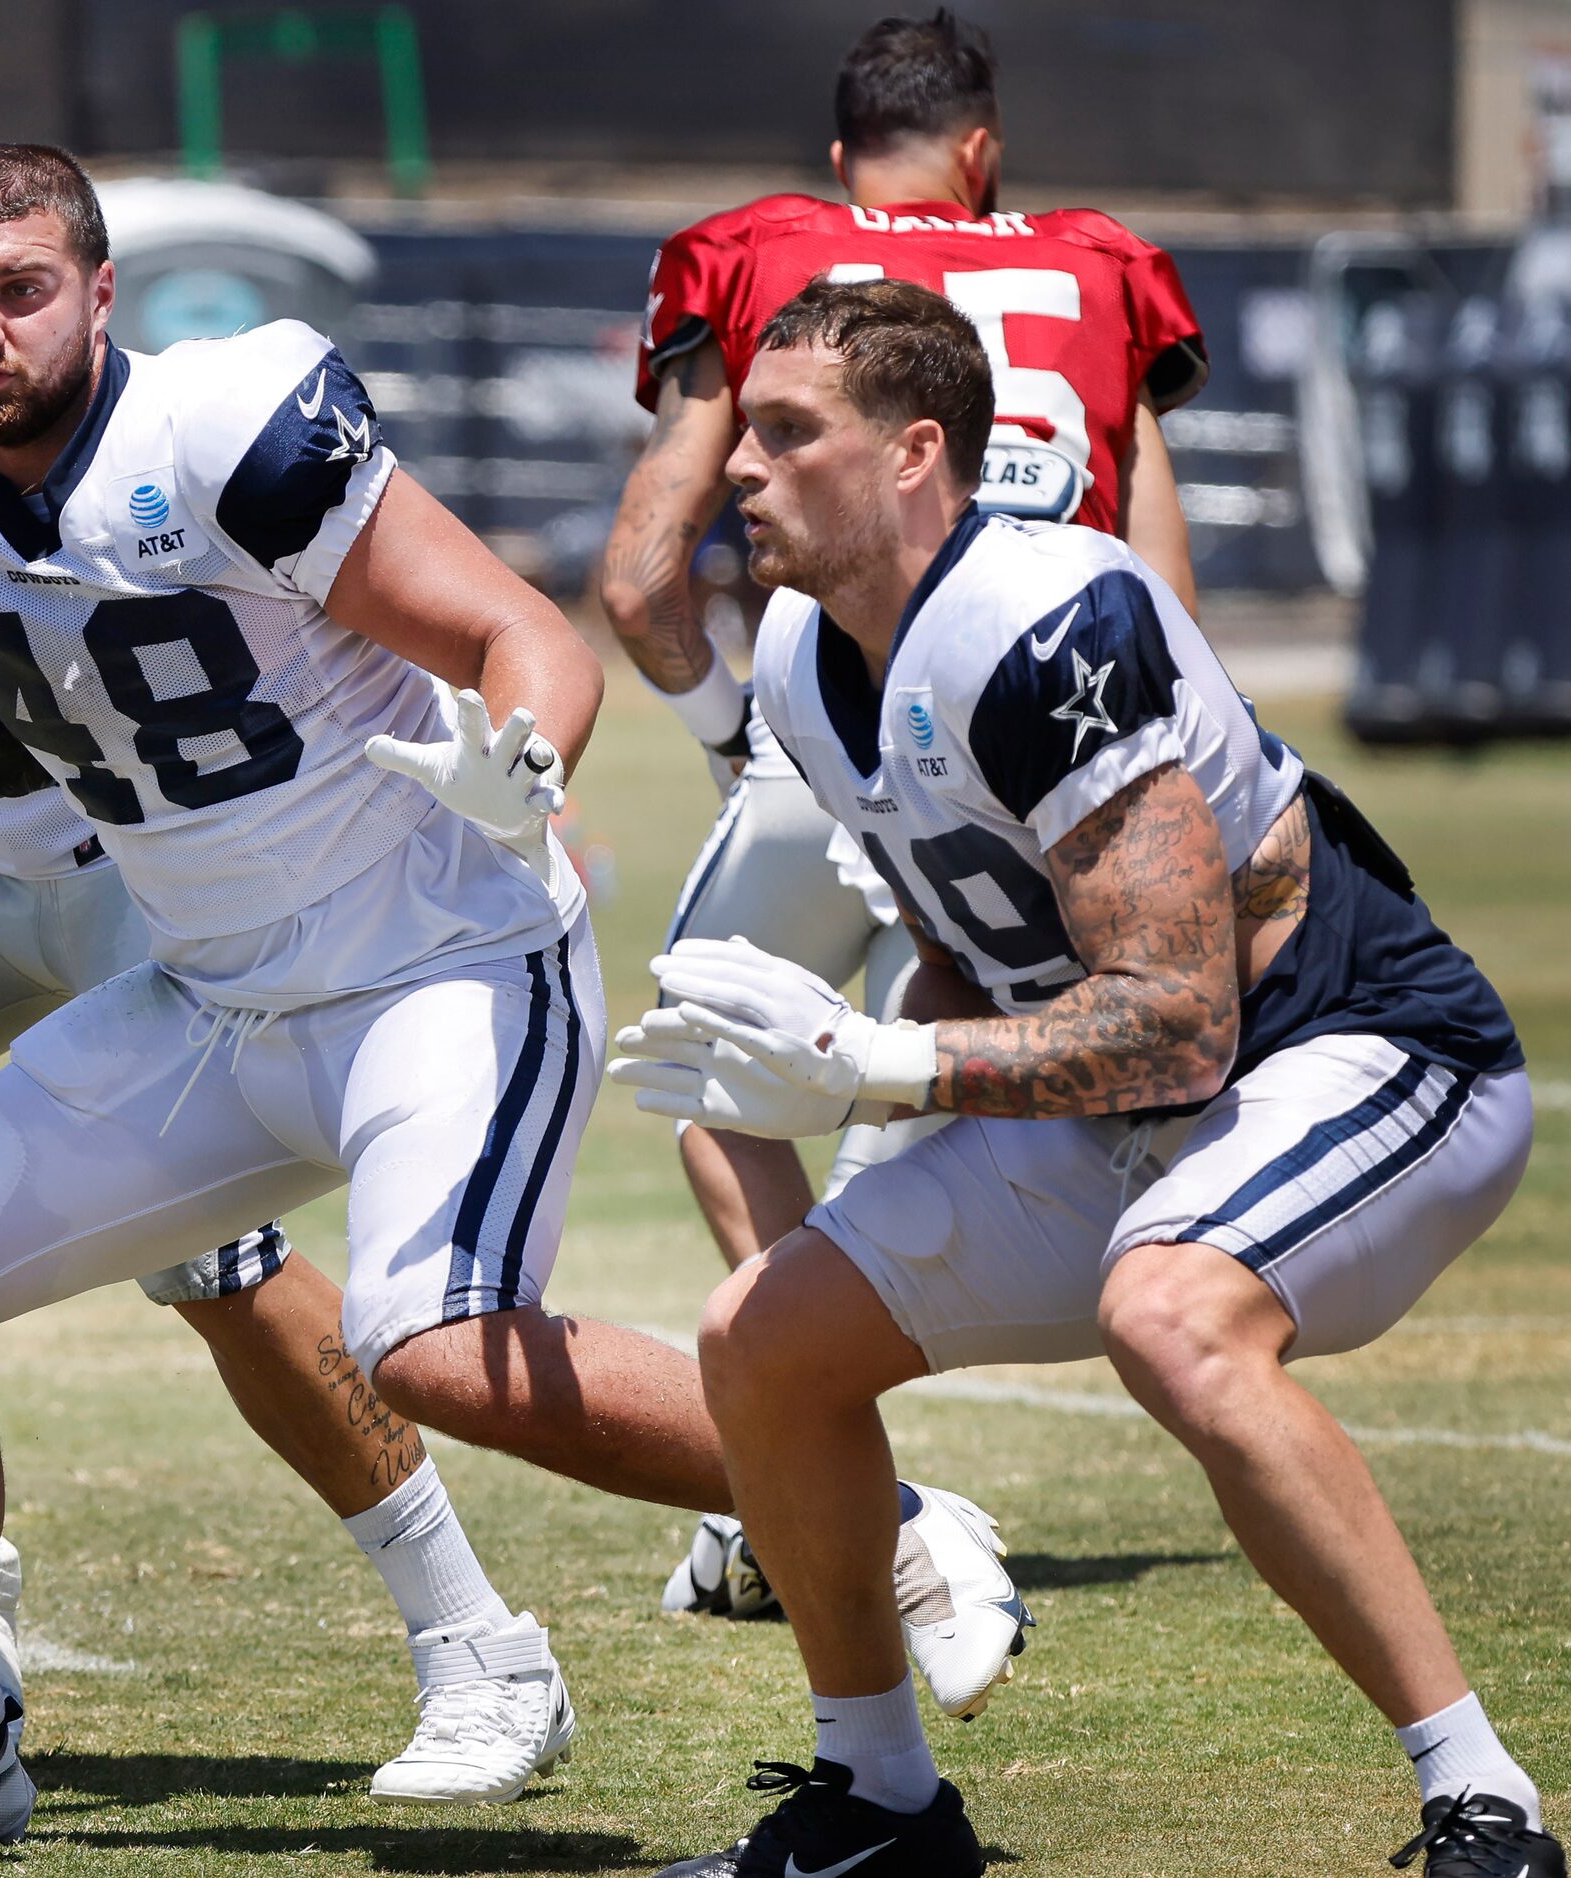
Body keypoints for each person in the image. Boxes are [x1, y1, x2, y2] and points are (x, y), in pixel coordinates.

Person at [0, 143, 1016, 1857]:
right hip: (207, 991)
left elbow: (523, 636)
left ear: (100, 294)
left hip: (439, 960)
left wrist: (527, 761)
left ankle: (898, 1509)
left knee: (430, 1345)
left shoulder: (218, 431)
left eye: (22, 290)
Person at [609, 276, 1550, 1878]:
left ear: (916, 454)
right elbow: (966, 940)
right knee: (759, 1337)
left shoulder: (1048, 623)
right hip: (1115, 1104)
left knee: (1168, 1312)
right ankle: (879, 1808)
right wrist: (861, 1124)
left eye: (785, 431)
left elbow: (1181, 1017)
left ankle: (1485, 1798)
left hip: (1356, 1051)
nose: (737, 469)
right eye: (740, 430)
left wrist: (882, 1068)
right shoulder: (800, 656)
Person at [602, 7, 1208, 1620]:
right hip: (1061, 737)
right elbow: (1162, 596)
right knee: (1037, 1078)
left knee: (722, 1072)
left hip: (853, 716)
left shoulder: (770, 256)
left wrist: (744, 740)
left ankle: (816, 1471)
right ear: (985, 149)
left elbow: (637, 574)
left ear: (840, 150)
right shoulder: (1100, 269)